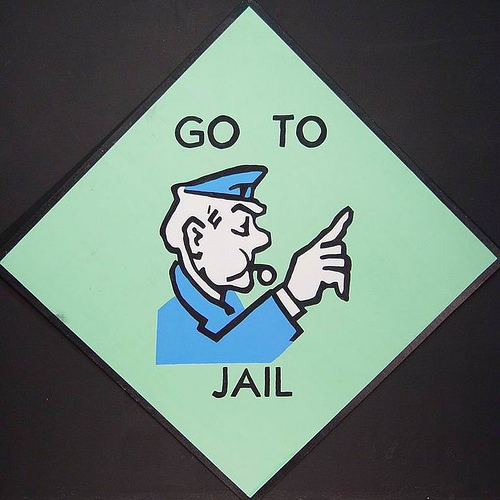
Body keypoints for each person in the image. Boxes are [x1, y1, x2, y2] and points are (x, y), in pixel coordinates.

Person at [156, 165, 353, 364]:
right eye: (242, 227)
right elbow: (226, 356)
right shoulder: (171, 321)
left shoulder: (229, 305)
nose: (262, 238)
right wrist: (292, 295)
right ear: (196, 238)